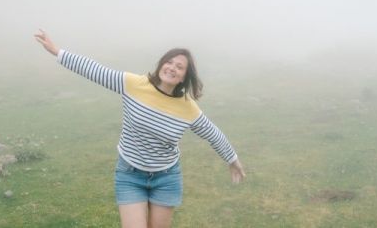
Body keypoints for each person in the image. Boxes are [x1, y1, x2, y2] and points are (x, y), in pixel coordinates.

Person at [34, 29, 245, 228]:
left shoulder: (188, 108)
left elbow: (213, 135)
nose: (172, 68)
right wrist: (57, 52)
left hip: (166, 178)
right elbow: (96, 70)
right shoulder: (133, 84)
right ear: (161, 65)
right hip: (130, 175)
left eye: (179, 67)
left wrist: (232, 160)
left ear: (183, 77)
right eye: (169, 62)